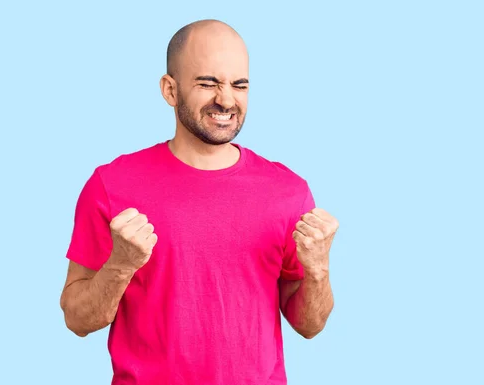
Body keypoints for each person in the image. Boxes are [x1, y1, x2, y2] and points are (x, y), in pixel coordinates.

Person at [59, 19, 338, 385]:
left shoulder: (289, 191)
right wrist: (120, 266)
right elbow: (77, 321)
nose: (225, 99)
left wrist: (317, 270)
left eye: (239, 85)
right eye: (208, 83)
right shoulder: (111, 185)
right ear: (170, 90)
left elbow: (309, 326)